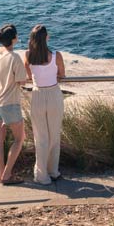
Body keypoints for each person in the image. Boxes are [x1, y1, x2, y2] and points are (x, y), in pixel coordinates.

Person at [24, 24, 65, 185]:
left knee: (40, 137)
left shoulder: (27, 55)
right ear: (47, 37)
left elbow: (29, 75)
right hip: (54, 94)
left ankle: (41, 176)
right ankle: (53, 171)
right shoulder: (56, 56)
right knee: (54, 134)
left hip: (37, 94)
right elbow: (62, 74)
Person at [0, 23, 28, 185]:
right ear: (14, 39)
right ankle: (6, 175)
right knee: (19, 139)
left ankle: (1, 172)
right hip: (10, 103)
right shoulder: (15, 58)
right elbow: (22, 81)